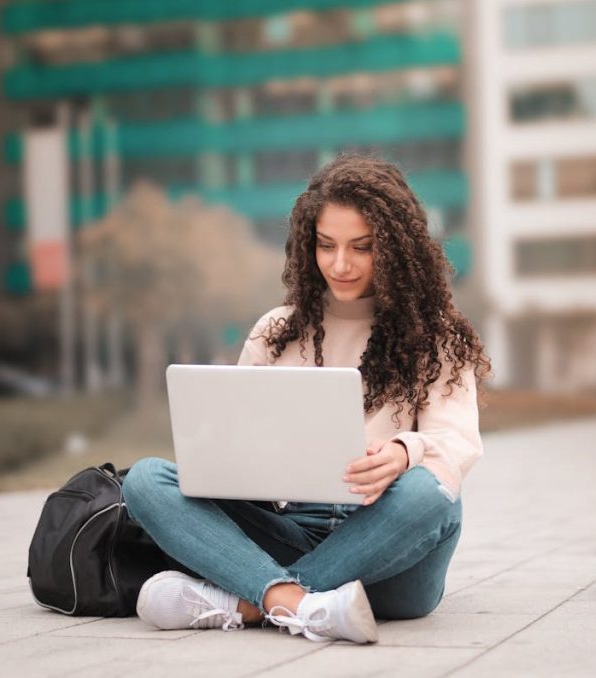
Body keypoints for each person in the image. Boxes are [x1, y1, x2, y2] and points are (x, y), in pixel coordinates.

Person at [122, 155, 490, 644]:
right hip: (291, 529)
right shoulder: (276, 331)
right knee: (146, 479)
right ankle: (303, 606)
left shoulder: (435, 337)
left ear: (397, 247)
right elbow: (231, 440)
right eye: (326, 245)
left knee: (434, 494)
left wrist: (406, 453)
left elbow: (457, 443)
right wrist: (224, 456)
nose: (340, 264)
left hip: (390, 550)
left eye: (362, 247)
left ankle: (252, 602)